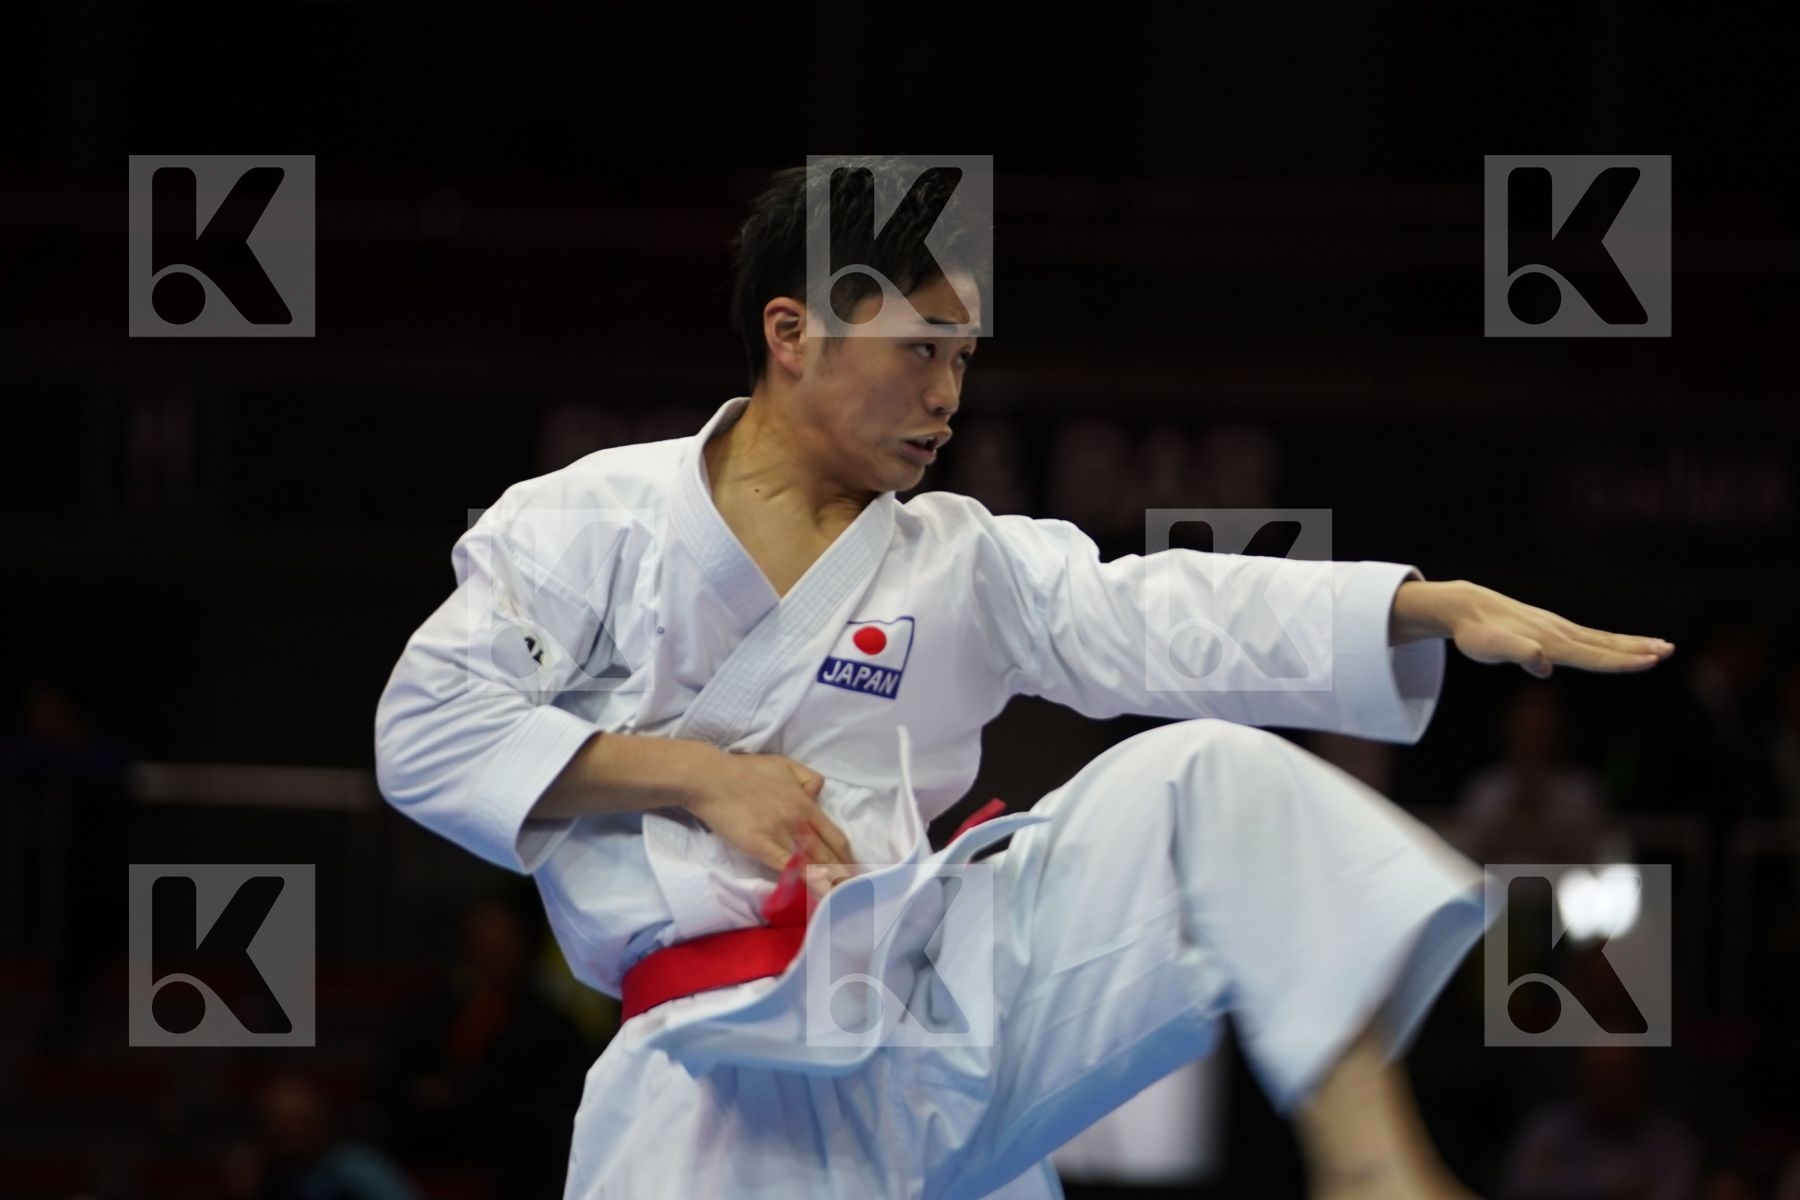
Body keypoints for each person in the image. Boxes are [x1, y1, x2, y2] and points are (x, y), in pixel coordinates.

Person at [373, 156, 1677, 1199]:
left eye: (965, 358)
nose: (949, 394)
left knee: (1204, 781)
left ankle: (1373, 1164)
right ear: (793, 332)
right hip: (709, 1085)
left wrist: (1416, 603)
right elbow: (430, 730)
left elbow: (1164, 609)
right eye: (921, 349)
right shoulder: (593, 519)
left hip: (945, 1035)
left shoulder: (959, 558)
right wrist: (701, 779)